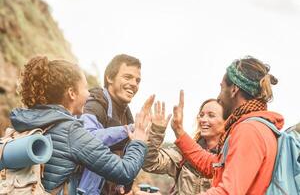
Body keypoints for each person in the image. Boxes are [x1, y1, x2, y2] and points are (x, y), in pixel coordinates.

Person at [10, 56, 152, 194]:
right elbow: (125, 172)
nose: (89, 95)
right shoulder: (71, 132)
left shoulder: (28, 122)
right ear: (72, 93)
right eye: (85, 88)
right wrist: (138, 141)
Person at [171, 56, 284, 194]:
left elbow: (229, 192)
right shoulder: (259, 126)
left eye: (222, 88)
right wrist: (180, 132)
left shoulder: (249, 130)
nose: (219, 97)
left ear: (233, 90)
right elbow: (214, 166)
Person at [79, 54, 142, 194]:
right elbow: (86, 138)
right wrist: (130, 130)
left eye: (137, 80)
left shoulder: (128, 115)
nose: (134, 84)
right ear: (109, 78)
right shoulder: (95, 101)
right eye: (128, 77)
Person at [142, 99, 225, 194]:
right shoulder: (184, 152)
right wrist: (157, 131)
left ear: (226, 120)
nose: (203, 120)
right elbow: (150, 163)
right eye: (201, 115)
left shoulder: (231, 156)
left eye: (211, 115)